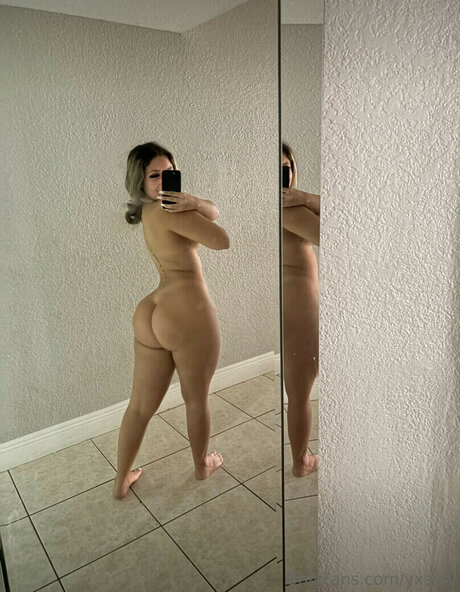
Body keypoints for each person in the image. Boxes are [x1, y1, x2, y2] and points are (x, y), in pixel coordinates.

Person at [113, 142, 230, 499]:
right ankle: (201, 465)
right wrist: (192, 205)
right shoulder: (171, 211)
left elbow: (211, 212)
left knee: (139, 406)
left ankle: (120, 481)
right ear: (141, 181)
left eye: (169, 172)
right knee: (196, 398)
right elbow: (221, 239)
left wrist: (193, 202)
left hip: (151, 310)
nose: (164, 180)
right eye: (155, 175)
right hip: (186, 311)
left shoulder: (150, 211)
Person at [282, 142, 320, 477]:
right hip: (299, 300)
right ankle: (301, 462)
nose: (285, 176)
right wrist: (305, 199)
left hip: (294, 296)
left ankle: (300, 458)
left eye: (288, 168)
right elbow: (343, 228)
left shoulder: (291, 206)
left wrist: (305, 197)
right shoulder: (288, 210)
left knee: (298, 386)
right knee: (300, 389)